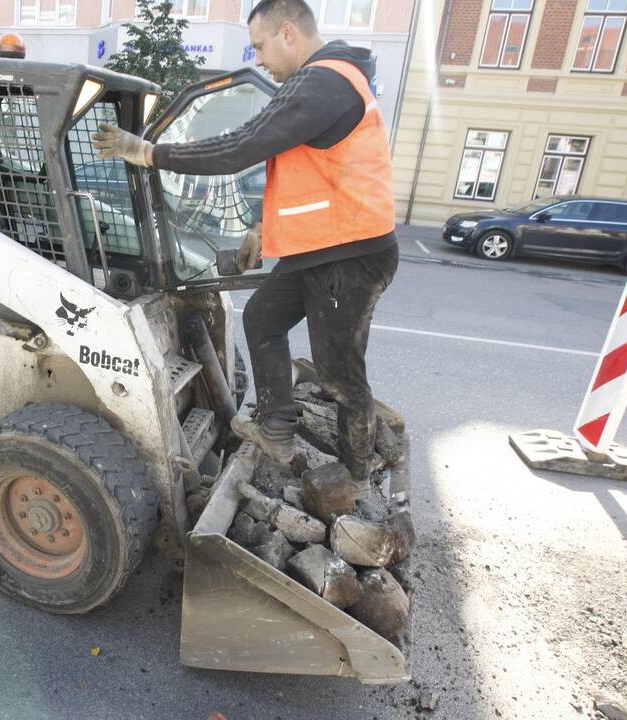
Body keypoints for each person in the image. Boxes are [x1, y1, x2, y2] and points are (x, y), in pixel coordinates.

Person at [92, 0, 398, 500]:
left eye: (259, 46)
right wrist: (263, 227)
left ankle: (356, 479)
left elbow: (243, 145)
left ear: (288, 33)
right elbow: (312, 170)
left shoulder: (325, 81)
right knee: (262, 318)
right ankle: (276, 425)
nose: (259, 59)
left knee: (341, 375)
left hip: (350, 254)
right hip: (323, 247)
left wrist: (148, 153)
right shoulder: (327, 82)